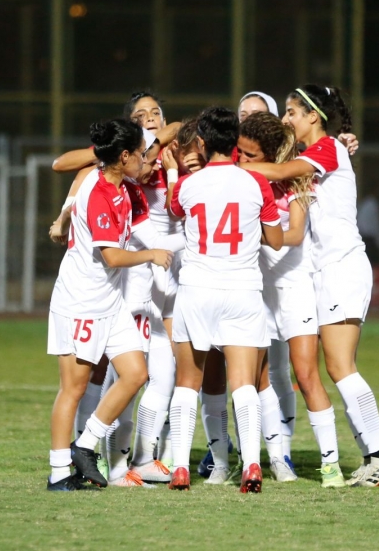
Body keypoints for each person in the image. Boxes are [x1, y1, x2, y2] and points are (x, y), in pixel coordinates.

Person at [247, 85, 379, 488]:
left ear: (313, 116)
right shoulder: (311, 153)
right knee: (337, 368)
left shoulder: (329, 148)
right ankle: (374, 455)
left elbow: (279, 172)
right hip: (325, 272)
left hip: (343, 267)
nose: (286, 119)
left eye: (292, 112)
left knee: (339, 366)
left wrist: (229, 171)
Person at [46, 118, 172, 491]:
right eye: (141, 154)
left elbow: (155, 146)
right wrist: (151, 255)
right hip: (80, 302)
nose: (146, 161)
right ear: (123, 156)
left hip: (109, 301)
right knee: (74, 388)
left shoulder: (125, 186)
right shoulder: (98, 191)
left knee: (136, 374)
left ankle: (84, 447)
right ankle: (58, 474)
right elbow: (113, 257)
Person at [166, 106, 283, 493]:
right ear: (236, 143)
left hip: (196, 289)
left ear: (201, 143)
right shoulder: (255, 183)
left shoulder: (189, 184)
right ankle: (251, 465)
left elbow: (174, 209)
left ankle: (180, 467)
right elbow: (277, 241)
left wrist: (173, 171)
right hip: (242, 291)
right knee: (243, 384)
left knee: (187, 382)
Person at [238, 111, 343, 486]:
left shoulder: (296, 178)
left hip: (295, 285)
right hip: (256, 287)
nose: (243, 160)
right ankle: (276, 459)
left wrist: (266, 235)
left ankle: (331, 465)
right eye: (241, 153)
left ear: (269, 154)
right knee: (258, 376)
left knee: (306, 372)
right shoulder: (241, 176)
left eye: (251, 155)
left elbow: (296, 234)